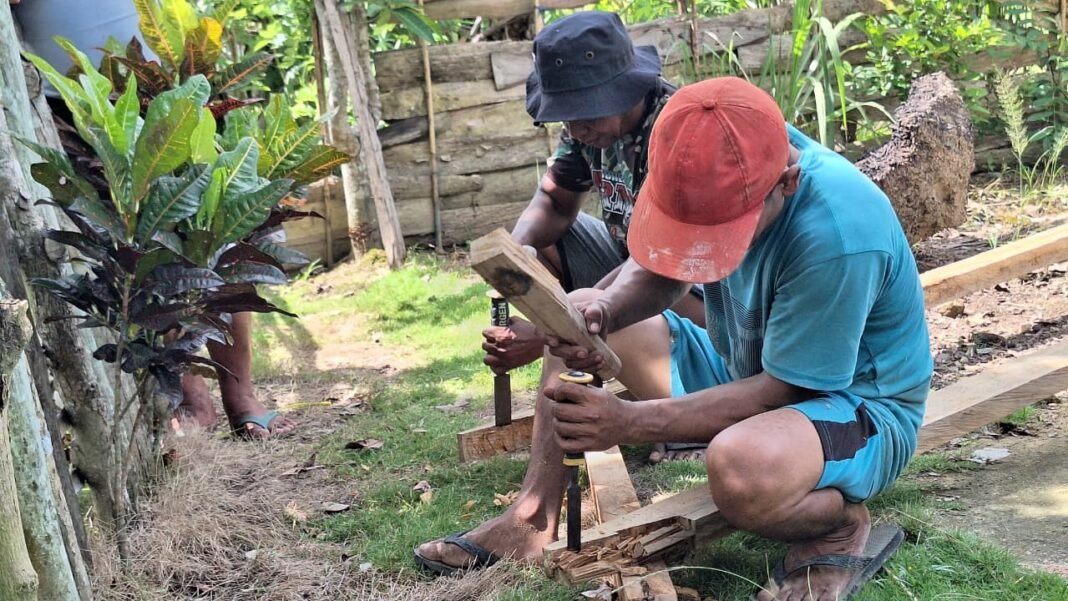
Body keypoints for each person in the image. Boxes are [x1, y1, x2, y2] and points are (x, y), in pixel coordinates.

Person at [418, 77, 932, 601]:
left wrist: (629, 422)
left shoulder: (839, 236)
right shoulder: (723, 152)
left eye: (724, 232)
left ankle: (839, 525)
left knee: (741, 469)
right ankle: (532, 518)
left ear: (788, 183)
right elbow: (672, 264)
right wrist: (606, 305)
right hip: (744, 364)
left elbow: (784, 392)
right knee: (574, 324)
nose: (706, 247)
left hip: (855, 409)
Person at [14, 0, 294, 439]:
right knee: (144, 255)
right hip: (71, 103)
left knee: (224, 237)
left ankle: (240, 394)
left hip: (170, 78)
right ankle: (193, 401)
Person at [482, 10, 706, 463]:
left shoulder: (677, 130)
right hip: (633, 265)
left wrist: (548, 332)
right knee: (539, 242)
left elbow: (661, 260)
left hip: (694, 290)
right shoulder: (587, 132)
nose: (574, 129)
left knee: (631, 280)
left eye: (582, 113)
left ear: (625, 90)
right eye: (564, 117)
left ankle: (679, 413)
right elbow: (556, 203)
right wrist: (514, 264)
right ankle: (599, 361)